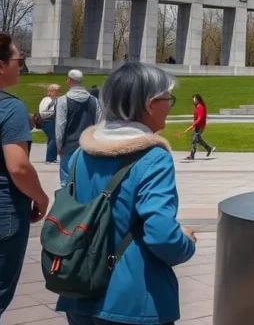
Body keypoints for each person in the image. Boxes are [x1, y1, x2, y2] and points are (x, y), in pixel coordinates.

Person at [55, 61, 197, 325]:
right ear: (151, 103)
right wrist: (186, 242)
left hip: (79, 290)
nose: (170, 105)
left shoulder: (79, 154)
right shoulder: (153, 158)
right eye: (169, 99)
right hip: (133, 299)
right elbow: (162, 235)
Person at [0, 33, 49, 324]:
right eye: (19, 60)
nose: (21, 66)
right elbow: (19, 168)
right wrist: (41, 197)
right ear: (1, 65)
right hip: (1, 211)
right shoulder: (9, 107)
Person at [55, 69, 101, 187]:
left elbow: (60, 125)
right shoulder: (94, 101)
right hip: (88, 146)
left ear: (69, 80)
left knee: (66, 181)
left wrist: (59, 145)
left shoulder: (63, 100)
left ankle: (66, 202)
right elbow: (98, 124)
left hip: (69, 145)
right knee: (85, 179)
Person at [182, 94, 215, 161]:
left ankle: (192, 155)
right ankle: (209, 148)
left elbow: (200, 118)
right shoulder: (198, 106)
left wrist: (193, 125)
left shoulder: (200, 107)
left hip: (200, 126)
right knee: (198, 139)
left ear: (198, 99)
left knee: (194, 140)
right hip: (198, 126)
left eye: (194, 99)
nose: (193, 100)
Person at [38, 84, 60, 164]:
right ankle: (49, 159)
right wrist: (54, 112)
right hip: (47, 121)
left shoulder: (56, 99)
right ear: (50, 92)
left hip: (53, 121)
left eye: (58, 91)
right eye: (55, 91)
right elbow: (42, 112)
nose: (57, 93)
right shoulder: (46, 100)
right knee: (53, 138)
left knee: (52, 139)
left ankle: (53, 158)